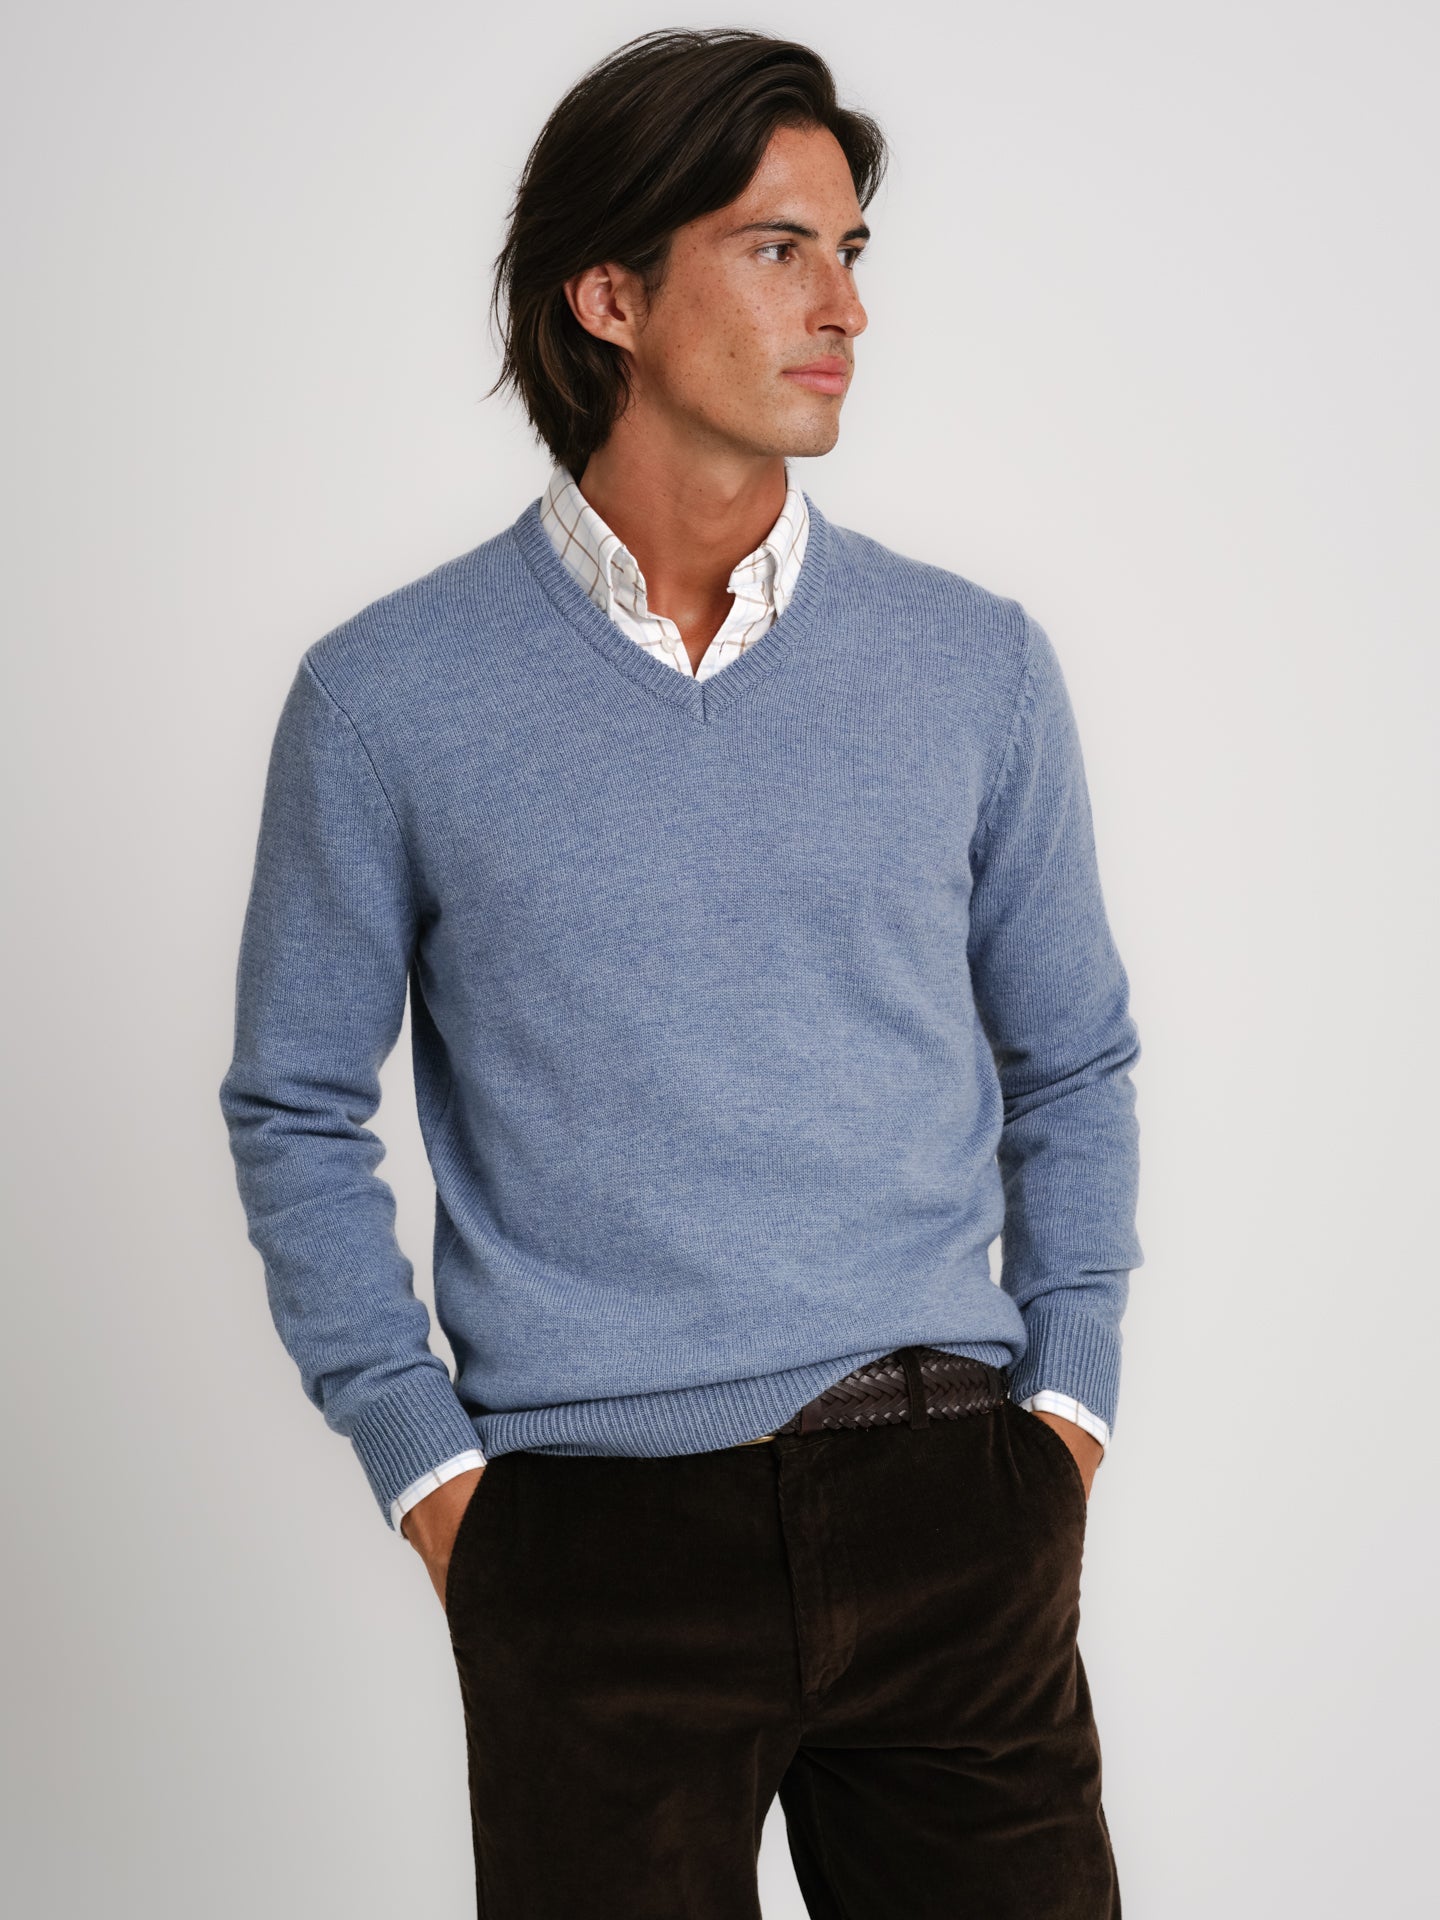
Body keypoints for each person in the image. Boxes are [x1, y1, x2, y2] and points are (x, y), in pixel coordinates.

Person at [218, 26, 1143, 1917]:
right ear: (612, 295)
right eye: (778, 249)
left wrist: (1067, 1413)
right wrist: (429, 1474)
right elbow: (294, 1107)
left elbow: (1073, 1061)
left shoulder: (975, 665)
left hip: (946, 1491)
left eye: (851, 252)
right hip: (591, 1546)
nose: (845, 310)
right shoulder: (388, 700)